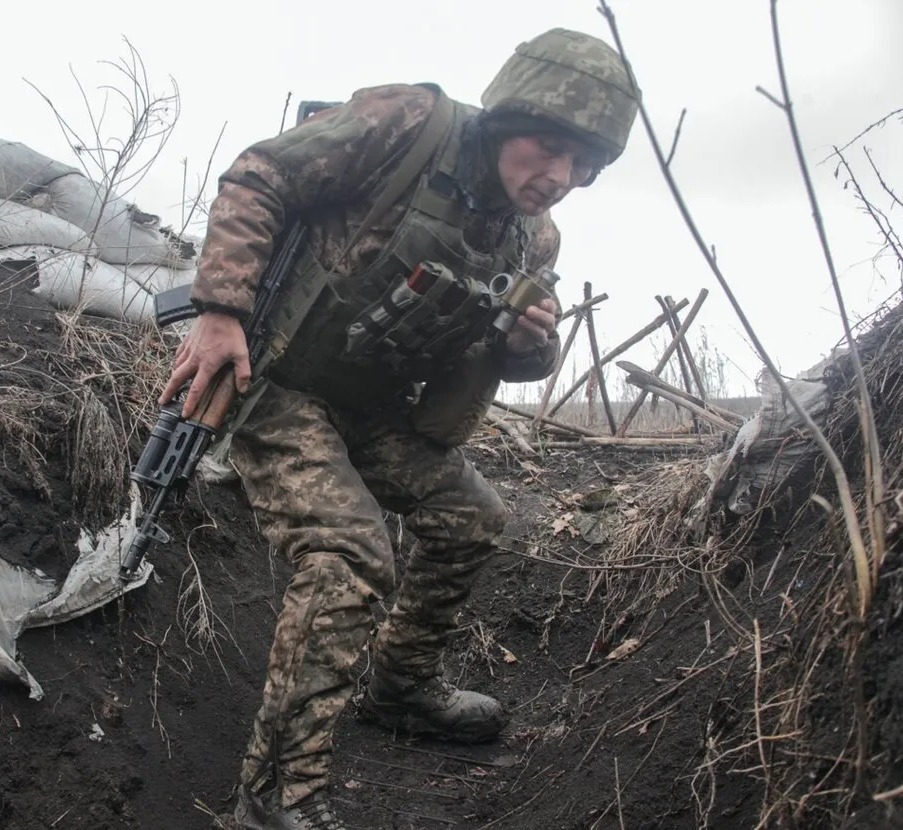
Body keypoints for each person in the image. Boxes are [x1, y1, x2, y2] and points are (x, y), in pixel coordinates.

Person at [158, 27, 641, 830]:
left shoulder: (532, 238)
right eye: (546, 148)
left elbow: (506, 354)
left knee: (472, 518)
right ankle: (276, 798)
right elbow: (260, 174)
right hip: (278, 380)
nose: (559, 177)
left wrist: (527, 344)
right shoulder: (411, 124)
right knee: (348, 554)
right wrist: (220, 310)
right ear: (505, 119)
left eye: (581, 165)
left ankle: (401, 690)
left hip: (376, 407)